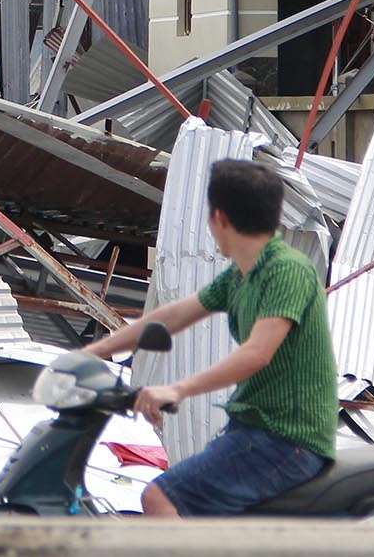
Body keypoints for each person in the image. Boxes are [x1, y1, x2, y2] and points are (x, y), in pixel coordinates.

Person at [83, 157, 336, 518]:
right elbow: (172, 316)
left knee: (160, 497)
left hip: (288, 437)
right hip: (256, 430)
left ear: (219, 217)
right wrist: (94, 351)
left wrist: (177, 389)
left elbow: (257, 353)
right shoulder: (241, 276)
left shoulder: (287, 271)